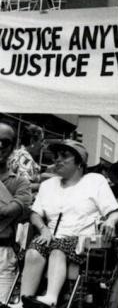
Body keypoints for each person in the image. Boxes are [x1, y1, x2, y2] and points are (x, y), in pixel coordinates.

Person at [19, 139, 118, 308]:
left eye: (64, 156)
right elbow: (35, 213)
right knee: (34, 250)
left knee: (59, 249)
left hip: (83, 240)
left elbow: (115, 212)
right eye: (56, 156)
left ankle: (50, 297)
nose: (57, 160)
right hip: (51, 236)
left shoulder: (95, 181)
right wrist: (43, 229)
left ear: (79, 162)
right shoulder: (47, 185)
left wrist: (111, 220)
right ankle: (24, 300)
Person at [0, 121, 32, 303]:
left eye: (5, 142)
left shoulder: (20, 183)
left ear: (13, 147)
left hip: (3, 252)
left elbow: (9, 211)